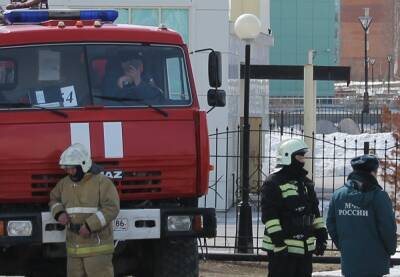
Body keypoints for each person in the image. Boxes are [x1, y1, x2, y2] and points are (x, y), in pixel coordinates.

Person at [49, 143, 120, 277]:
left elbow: (111, 208)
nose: (69, 172)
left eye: (72, 169)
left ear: (83, 165)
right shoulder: (64, 183)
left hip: (98, 249)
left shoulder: (102, 182)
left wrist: (89, 225)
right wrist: (59, 213)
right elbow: (54, 199)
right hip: (74, 250)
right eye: (67, 169)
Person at [261, 138, 328, 277]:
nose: (303, 160)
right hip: (282, 249)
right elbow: (269, 217)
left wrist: (321, 235)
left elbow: (314, 211)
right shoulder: (273, 182)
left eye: (304, 156)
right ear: (287, 156)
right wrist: (279, 244)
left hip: (304, 248)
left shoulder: (306, 183)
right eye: (300, 156)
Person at [326, 154, 397, 277]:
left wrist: (344, 245)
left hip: (350, 262)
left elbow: (331, 224)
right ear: (372, 172)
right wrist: (390, 250)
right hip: (375, 263)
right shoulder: (379, 196)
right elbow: (388, 229)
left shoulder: (338, 195)